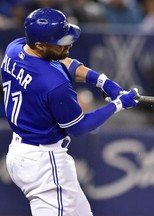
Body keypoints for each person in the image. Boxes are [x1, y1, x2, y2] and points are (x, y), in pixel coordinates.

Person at [0, 8, 138, 216]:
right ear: (40, 45)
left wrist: (103, 82)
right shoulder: (55, 85)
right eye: (61, 42)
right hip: (45, 162)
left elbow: (63, 63)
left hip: (23, 152)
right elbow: (80, 127)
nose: (69, 44)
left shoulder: (15, 48)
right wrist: (118, 104)